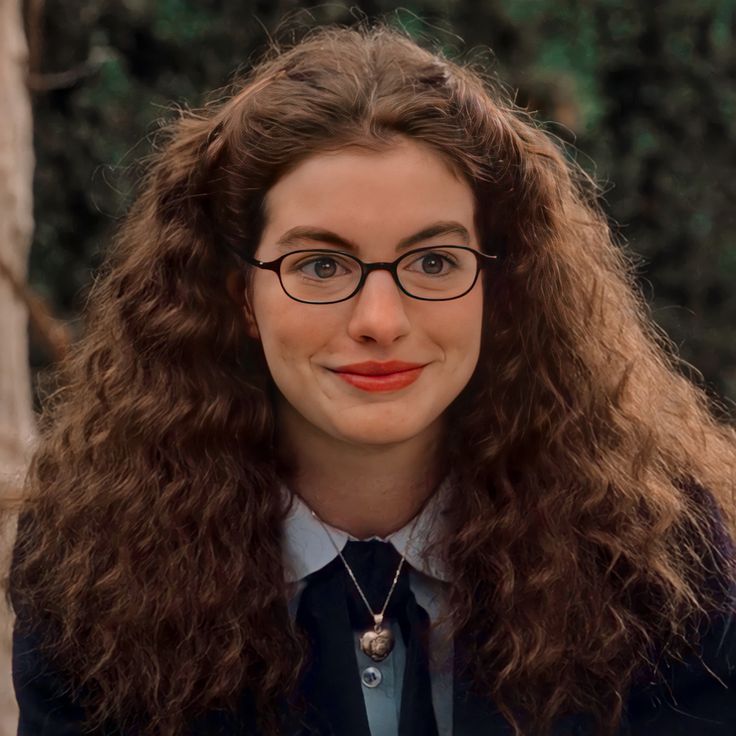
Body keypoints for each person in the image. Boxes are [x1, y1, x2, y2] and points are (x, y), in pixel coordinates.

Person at [4, 18, 736, 736]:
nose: (380, 319)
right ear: (241, 300)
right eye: (319, 266)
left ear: (500, 286)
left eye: (433, 262)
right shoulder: (92, 572)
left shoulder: (661, 564)